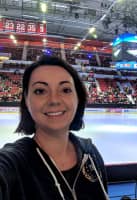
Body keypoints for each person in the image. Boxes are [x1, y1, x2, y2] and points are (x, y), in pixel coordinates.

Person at [0, 56, 109, 200]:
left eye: (65, 90)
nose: (54, 100)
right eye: (40, 91)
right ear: (26, 100)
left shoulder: (90, 152)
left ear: (78, 97)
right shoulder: (13, 162)